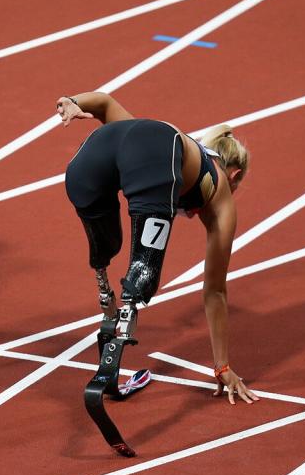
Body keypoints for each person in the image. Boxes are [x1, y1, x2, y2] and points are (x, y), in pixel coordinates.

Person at [58, 92, 259, 405]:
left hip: (97, 150)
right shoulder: (220, 188)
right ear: (234, 175)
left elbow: (106, 104)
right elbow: (215, 291)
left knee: (106, 247)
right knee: (144, 273)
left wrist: (74, 102)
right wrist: (223, 366)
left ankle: (108, 310)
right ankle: (118, 335)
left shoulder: (159, 145)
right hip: (154, 147)